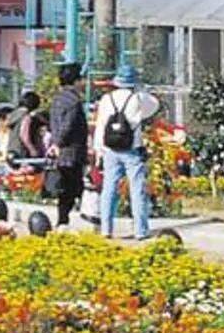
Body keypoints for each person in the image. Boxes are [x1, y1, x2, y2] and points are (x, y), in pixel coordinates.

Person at [90, 64, 159, 239]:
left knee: (109, 189)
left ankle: (106, 229)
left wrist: (99, 150)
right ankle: (140, 230)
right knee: (137, 189)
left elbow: (101, 126)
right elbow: (154, 105)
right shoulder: (138, 99)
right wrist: (141, 90)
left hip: (110, 149)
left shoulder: (107, 99)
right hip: (132, 149)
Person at [44, 62, 88, 225]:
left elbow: (55, 124)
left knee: (65, 187)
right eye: (81, 79)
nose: (82, 83)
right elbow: (67, 125)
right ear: (75, 81)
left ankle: (63, 219)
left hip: (61, 151)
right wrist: (58, 142)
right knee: (74, 186)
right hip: (71, 150)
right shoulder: (74, 101)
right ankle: (65, 220)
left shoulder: (57, 98)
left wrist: (55, 143)